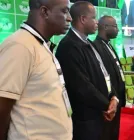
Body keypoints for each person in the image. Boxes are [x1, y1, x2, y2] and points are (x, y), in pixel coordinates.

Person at [0, 0, 73, 140]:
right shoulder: (20, 46)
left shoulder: (40, 44)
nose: (70, 17)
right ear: (45, 12)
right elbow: (2, 106)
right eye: (64, 11)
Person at [55, 2, 119, 140]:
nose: (97, 22)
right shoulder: (69, 46)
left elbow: (104, 74)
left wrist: (113, 96)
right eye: (94, 18)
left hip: (100, 115)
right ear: (83, 19)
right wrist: (107, 104)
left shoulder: (88, 43)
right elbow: (82, 87)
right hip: (86, 121)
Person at [93, 15, 126, 140]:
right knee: (107, 133)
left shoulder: (109, 45)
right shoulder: (96, 46)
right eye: (115, 26)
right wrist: (111, 98)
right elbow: (101, 77)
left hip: (116, 99)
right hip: (108, 101)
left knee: (114, 132)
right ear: (105, 27)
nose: (118, 30)